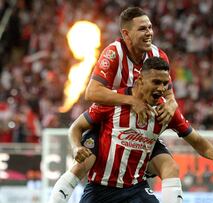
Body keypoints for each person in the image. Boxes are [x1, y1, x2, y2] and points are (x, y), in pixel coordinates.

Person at [50, 7, 182, 203]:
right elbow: (92, 92)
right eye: (142, 29)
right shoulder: (114, 53)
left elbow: (170, 96)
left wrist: (172, 105)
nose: (149, 33)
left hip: (142, 131)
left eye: (150, 28)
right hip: (110, 122)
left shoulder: (158, 56)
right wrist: (132, 100)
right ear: (126, 34)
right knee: (82, 164)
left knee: (170, 167)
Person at [77, 57, 213, 202]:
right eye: (156, 82)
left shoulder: (165, 111)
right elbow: (76, 127)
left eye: (165, 83)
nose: (161, 88)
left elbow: (196, 139)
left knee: (171, 167)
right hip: (101, 189)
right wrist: (75, 147)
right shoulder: (114, 101)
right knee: (80, 164)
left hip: (135, 188)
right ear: (140, 80)